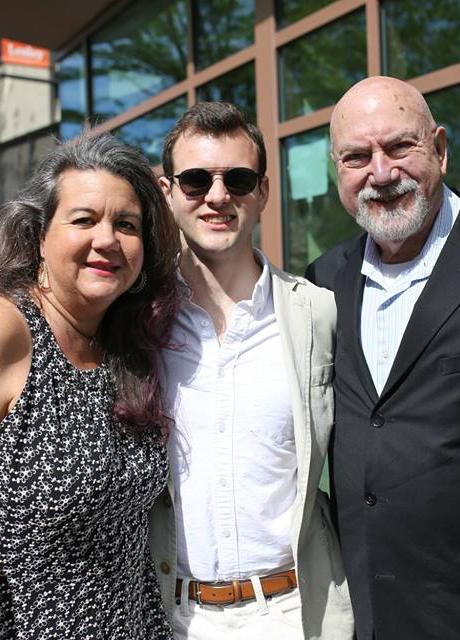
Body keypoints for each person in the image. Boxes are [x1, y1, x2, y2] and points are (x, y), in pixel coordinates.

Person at [148, 102, 354, 640]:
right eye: (195, 181)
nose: (218, 196)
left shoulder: (318, 312)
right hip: (175, 615)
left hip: (294, 614)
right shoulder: (136, 325)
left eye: (237, 179)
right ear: (168, 192)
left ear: (262, 192)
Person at [0, 133, 181, 639]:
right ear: (39, 235)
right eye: (83, 220)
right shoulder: (11, 330)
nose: (107, 240)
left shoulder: (127, 350)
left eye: (126, 224)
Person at [305, 76, 460, 639]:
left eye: (400, 147)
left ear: (440, 150)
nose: (381, 172)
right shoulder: (323, 282)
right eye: (356, 156)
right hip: (362, 610)